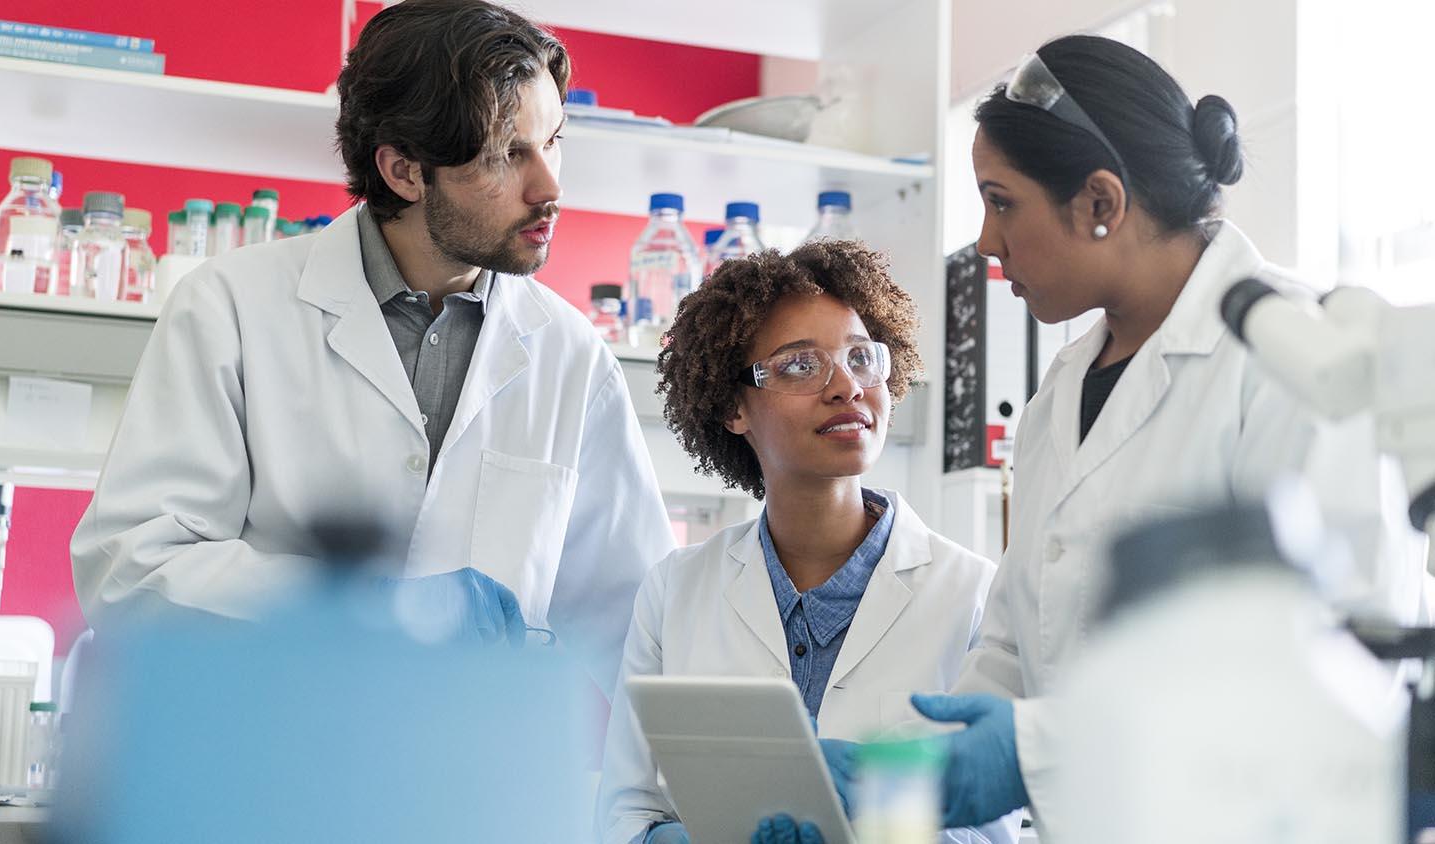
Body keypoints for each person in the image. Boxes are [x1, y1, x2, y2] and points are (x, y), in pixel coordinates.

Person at [812, 34, 1429, 840]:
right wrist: (895, 794)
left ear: (1100, 203)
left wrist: (1032, 754)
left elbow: (1345, 667)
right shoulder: (1057, 394)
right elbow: (1011, 645)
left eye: (1001, 203)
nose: (988, 245)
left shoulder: (1296, 357)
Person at [69, 0, 676, 688]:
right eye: (508, 155)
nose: (551, 187)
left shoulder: (571, 356)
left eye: (553, 140)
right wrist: (371, 611)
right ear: (404, 171)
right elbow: (134, 572)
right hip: (271, 769)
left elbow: (634, 632)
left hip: (473, 780)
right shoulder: (230, 309)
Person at [596, 241, 1016, 844]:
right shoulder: (676, 589)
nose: (847, 386)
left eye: (861, 358)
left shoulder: (972, 594)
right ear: (733, 406)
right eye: (800, 365)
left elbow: (990, 831)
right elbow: (623, 815)